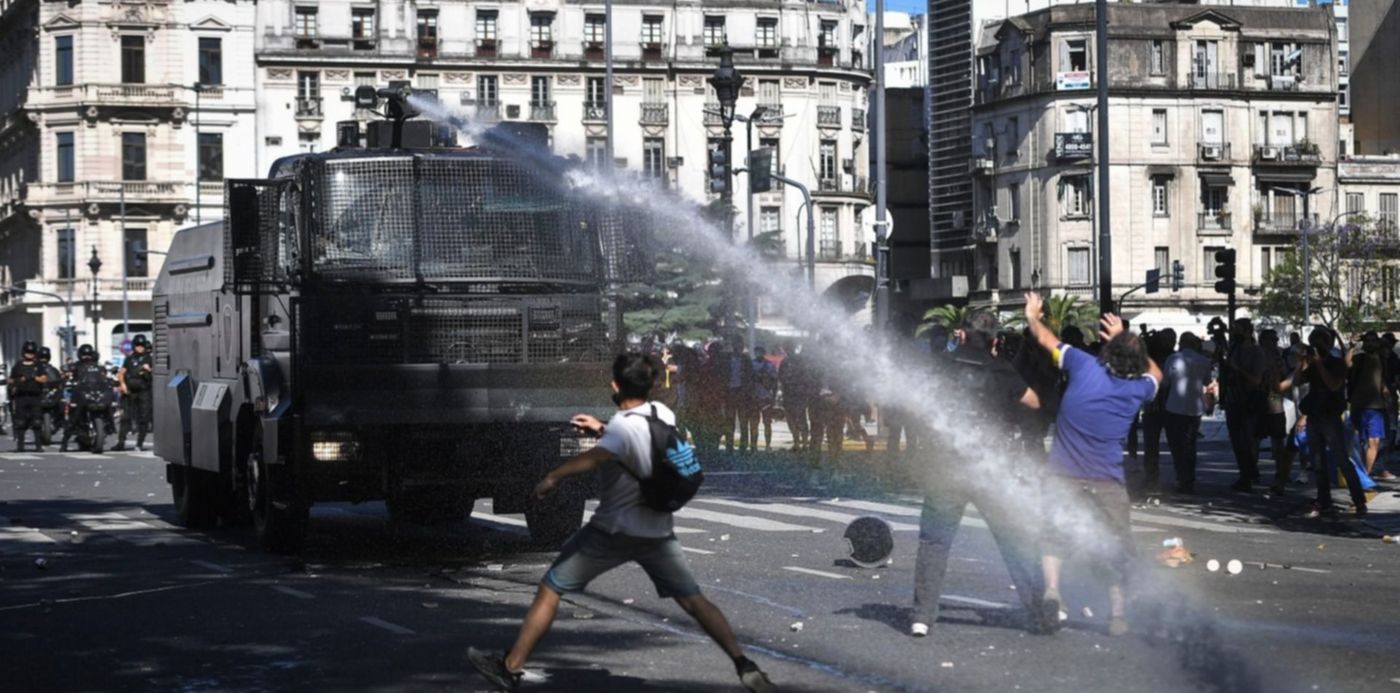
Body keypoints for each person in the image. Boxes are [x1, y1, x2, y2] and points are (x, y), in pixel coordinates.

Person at [467, 353, 774, 692]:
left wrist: (552, 477)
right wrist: (600, 428)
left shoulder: (620, 429)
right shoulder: (662, 415)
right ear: (651, 386)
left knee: (551, 587)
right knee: (694, 601)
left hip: (612, 531)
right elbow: (638, 440)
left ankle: (510, 667)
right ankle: (743, 664)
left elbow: (594, 457)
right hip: (657, 532)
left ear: (614, 386)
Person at [1024, 292, 1161, 637]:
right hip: (1107, 481)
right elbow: (1157, 372)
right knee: (1114, 547)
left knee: (1052, 536)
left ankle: (1053, 590)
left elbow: (1044, 338)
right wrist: (1125, 339)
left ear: (1106, 353)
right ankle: (1117, 616)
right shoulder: (1137, 391)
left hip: (1062, 474)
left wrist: (1033, 315)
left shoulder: (1082, 365)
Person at [910, 311, 1054, 638]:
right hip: (990, 469)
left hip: (946, 467)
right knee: (1013, 539)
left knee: (934, 542)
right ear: (994, 340)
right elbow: (1033, 401)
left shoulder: (943, 364)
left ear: (961, 334)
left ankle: (921, 617)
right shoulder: (1000, 370)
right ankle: (1038, 614)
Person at [1282, 328, 1368, 519]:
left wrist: (1320, 363)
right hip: (1314, 416)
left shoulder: (1337, 363)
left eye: (1320, 343)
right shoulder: (1312, 365)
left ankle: (1359, 501)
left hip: (1330, 417)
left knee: (1342, 460)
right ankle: (1324, 500)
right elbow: (1296, 381)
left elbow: (1334, 385)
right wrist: (1302, 363)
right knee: (1318, 462)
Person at [1162, 332, 1213, 495]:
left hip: (1174, 407)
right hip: (1194, 408)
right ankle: (1189, 479)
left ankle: (1181, 476)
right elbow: (1206, 381)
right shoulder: (1204, 361)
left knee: (1176, 445)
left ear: (1181, 343)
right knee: (1190, 445)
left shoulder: (1173, 359)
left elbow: (1165, 382)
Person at [1221, 319, 1267, 493]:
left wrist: (1237, 369)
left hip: (1249, 400)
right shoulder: (1233, 349)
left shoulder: (1256, 352)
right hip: (1233, 399)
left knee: (1247, 441)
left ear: (1248, 332)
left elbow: (1256, 380)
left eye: (1238, 330)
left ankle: (1248, 474)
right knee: (1236, 441)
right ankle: (1245, 472)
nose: (1235, 334)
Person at [1347, 332, 1390, 479]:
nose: (1371, 343)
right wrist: (1351, 347)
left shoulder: (1382, 359)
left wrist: (1385, 390)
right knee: (1360, 443)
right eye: (1368, 341)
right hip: (1359, 405)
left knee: (1374, 441)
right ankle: (1360, 475)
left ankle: (1365, 475)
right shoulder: (1359, 359)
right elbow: (1346, 365)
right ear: (1364, 344)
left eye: (1374, 341)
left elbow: (1381, 379)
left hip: (1377, 407)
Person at [61, 344, 116, 453]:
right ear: (80, 355)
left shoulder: (98, 367)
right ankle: (65, 441)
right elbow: (66, 373)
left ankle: (110, 425)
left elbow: (104, 376)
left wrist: (110, 381)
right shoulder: (75, 366)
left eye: (88, 355)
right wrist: (68, 380)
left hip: (96, 393)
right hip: (80, 393)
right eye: (84, 355)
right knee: (74, 414)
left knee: (109, 405)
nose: (86, 357)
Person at [114, 335, 155, 452]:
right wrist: (122, 384)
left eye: (142, 346)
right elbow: (122, 372)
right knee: (125, 417)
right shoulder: (129, 359)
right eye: (137, 345)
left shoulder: (150, 359)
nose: (140, 348)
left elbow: (157, 375)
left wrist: (149, 370)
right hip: (130, 392)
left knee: (144, 418)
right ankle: (121, 442)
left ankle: (139, 443)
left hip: (144, 391)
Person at [8, 341, 48, 452]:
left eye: (31, 353)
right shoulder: (18, 365)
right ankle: (20, 446)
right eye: (27, 352)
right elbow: (11, 380)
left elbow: (44, 378)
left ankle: (38, 446)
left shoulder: (38, 365)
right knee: (20, 422)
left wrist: (34, 377)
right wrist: (19, 380)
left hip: (35, 396)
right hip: (21, 396)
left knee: (37, 422)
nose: (29, 355)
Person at [749, 346, 779, 451]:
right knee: (754, 422)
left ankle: (767, 444)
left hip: (766, 397)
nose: (758, 353)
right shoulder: (751, 364)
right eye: (757, 351)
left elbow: (774, 382)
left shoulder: (769, 365)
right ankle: (753, 445)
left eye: (760, 351)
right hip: (754, 397)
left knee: (767, 422)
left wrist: (774, 397)